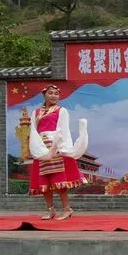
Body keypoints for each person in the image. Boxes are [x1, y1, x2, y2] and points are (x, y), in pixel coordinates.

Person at [29, 85, 89, 220]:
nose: (54, 96)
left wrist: (62, 147)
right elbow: (33, 131)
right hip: (41, 147)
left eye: (56, 94)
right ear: (44, 95)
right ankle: (51, 210)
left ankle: (67, 209)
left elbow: (64, 130)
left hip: (56, 146)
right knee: (44, 182)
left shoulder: (61, 111)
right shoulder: (36, 112)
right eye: (50, 93)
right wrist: (35, 147)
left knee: (58, 181)